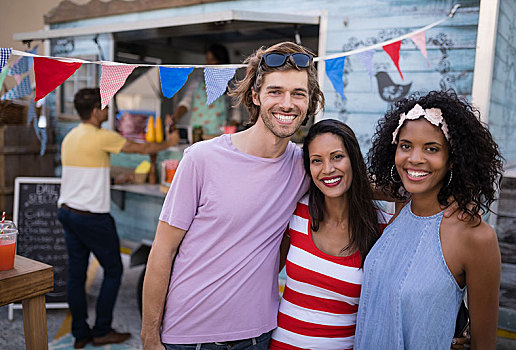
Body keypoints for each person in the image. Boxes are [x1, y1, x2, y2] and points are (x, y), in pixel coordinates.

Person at [140, 41, 324, 349]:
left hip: (259, 336)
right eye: (275, 91)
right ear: (256, 95)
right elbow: (162, 251)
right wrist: (149, 336)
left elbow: (352, 182)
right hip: (188, 337)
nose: (287, 103)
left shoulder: (304, 167)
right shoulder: (201, 158)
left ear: (309, 103)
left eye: (298, 93)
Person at [355, 90, 503, 349]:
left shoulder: (475, 236)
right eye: (405, 146)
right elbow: (351, 183)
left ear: (453, 159)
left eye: (431, 148)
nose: (415, 159)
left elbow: (484, 343)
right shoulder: (402, 203)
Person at [57, 88, 179, 349]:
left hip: (68, 212)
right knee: (114, 270)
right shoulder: (102, 136)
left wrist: (111, 179)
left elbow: (82, 173)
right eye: (103, 107)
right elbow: (141, 147)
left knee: (76, 275)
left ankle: (80, 333)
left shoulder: (70, 137)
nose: (107, 111)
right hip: (92, 217)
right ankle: (102, 331)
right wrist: (169, 144)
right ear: (94, 112)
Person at [270, 119, 387, 349]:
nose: (327, 169)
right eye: (316, 161)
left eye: (337, 157)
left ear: (353, 159)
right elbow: (265, 273)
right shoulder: (297, 211)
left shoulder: (382, 226)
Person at [170, 43, 241, 136]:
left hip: (219, 136)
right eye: (207, 59)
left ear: (222, 62)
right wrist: (174, 118)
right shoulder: (197, 81)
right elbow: (185, 103)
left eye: (212, 60)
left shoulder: (230, 85)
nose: (208, 63)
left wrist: (231, 133)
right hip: (197, 134)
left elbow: (236, 113)